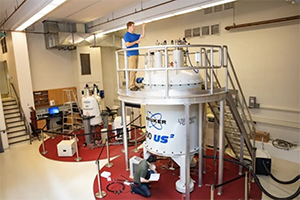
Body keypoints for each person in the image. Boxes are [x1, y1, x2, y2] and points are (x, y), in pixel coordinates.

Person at [124, 21, 146, 91]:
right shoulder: (127, 35)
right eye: (133, 26)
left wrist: (143, 27)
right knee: (132, 70)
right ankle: (131, 85)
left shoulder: (134, 35)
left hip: (136, 54)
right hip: (131, 54)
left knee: (135, 70)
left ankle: (133, 84)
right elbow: (127, 44)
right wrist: (135, 42)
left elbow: (142, 35)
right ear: (129, 27)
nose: (134, 27)